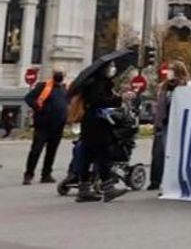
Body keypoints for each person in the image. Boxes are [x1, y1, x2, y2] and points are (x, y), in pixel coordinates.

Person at [77, 62, 128, 202]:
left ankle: (84, 189)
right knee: (103, 154)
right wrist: (119, 98)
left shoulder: (89, 82)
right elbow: (101, 101)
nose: (112, 69)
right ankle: (108, 189)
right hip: (98, 123)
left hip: (89, 122)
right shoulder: (99, 83)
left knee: (87, 156)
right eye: (110, 67)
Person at [149, 61, 190, 192]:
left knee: (175, 152)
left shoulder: (187, 86)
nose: (169, 73)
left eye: (171, 70)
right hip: (165, 123)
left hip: (179, 123)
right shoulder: (163, 87)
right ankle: (159, 181)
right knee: (162, 151)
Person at [23, 68, 68, 185]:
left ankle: (46, 174)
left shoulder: (64, 89)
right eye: (57, 73)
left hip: (58, 126)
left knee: (51, 151)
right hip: (43, 125)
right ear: (53, 75)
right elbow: (29, 98)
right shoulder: (43, 86)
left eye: (61, 74)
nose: (59, 75)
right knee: (36, 150)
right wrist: (38, 108)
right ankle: (28, 174)